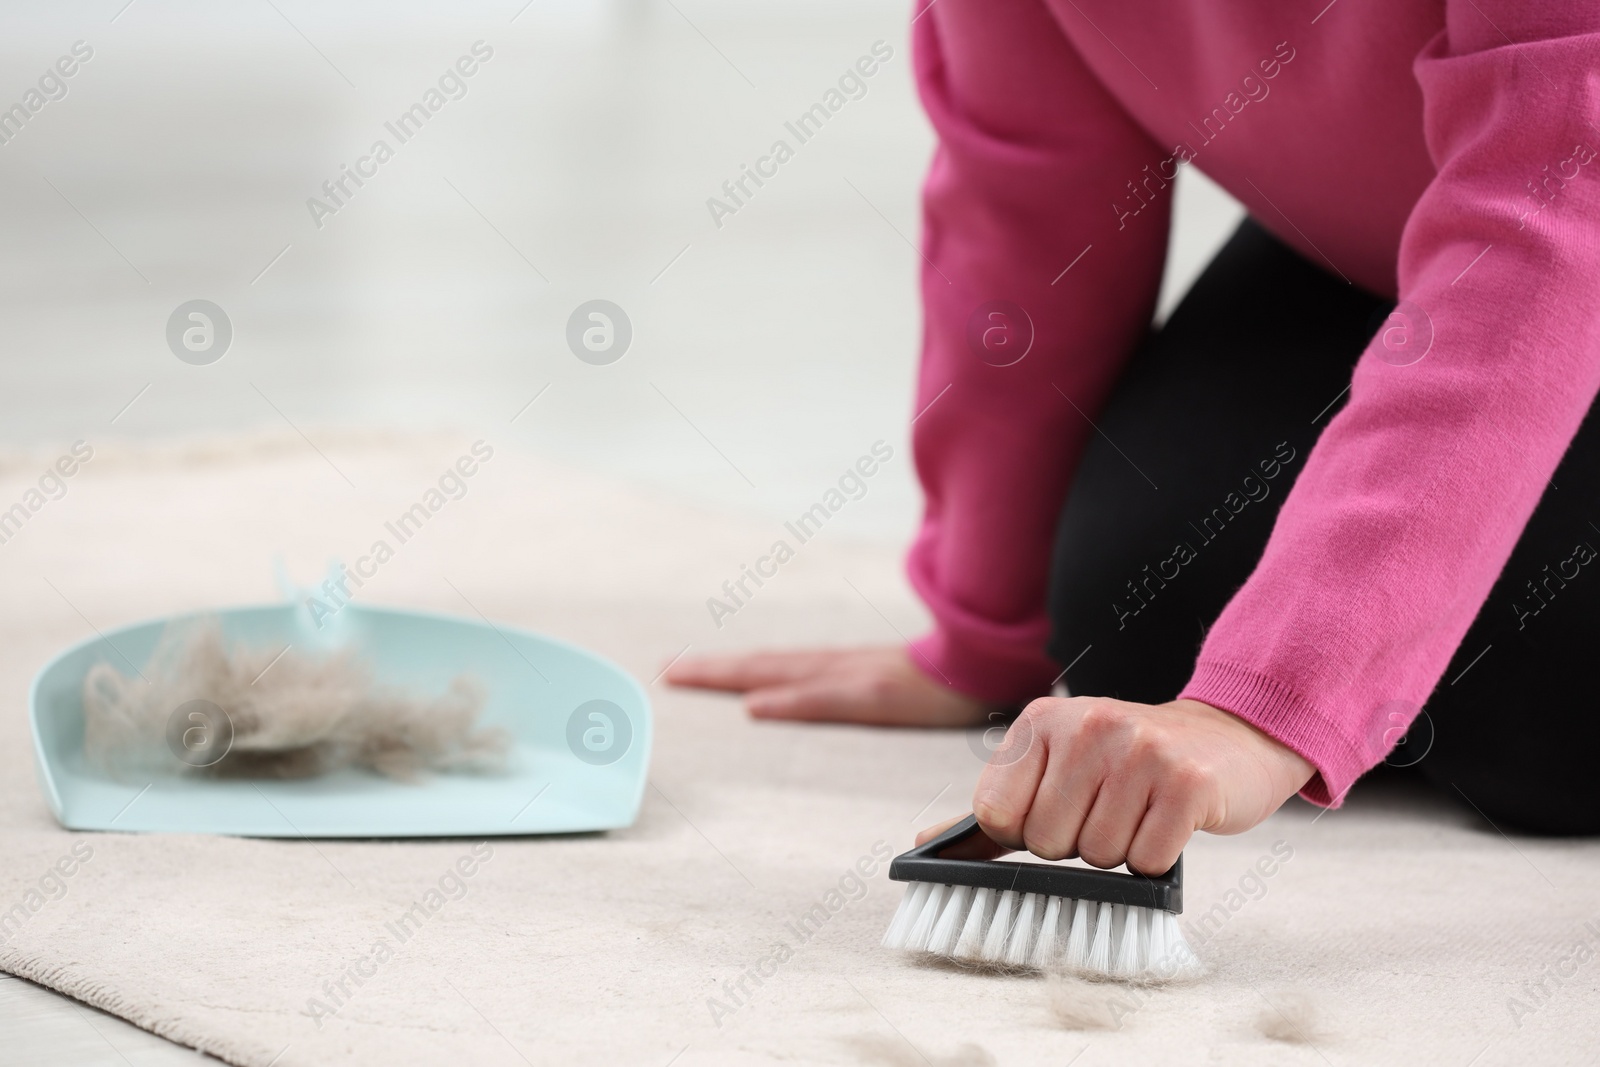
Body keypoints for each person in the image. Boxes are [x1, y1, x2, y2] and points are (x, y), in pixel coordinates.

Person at [670, 1, 1600, 872]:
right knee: (1138, 620)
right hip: (1387, 230)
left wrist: (1266, 704)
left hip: (1564, 192)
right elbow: (1032, 197)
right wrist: (988, 626)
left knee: (1540, 713)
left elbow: (1557, 184)